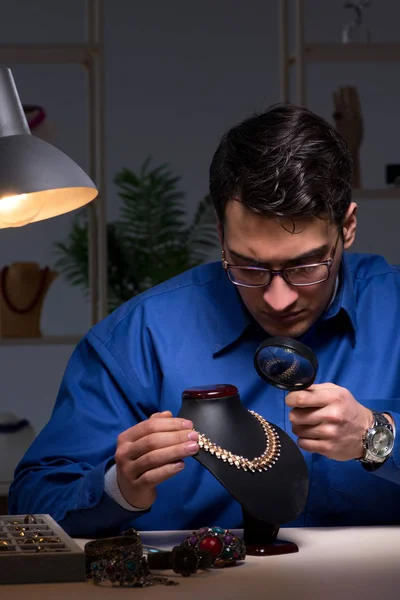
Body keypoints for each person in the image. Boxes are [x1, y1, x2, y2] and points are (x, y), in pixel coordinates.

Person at [9, 104, 400, 538]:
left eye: (305, 267)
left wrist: (377, 436)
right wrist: (118, 488)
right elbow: (33, 502)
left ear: (347, 227)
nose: (278, 298)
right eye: (249, 267)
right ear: (221, 237)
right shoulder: (141, 337)